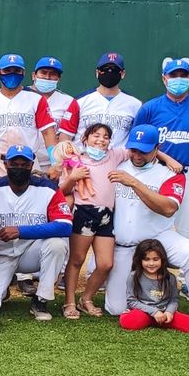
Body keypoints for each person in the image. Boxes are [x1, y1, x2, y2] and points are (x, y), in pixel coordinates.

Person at [104, 125, 189, 332]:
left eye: (144, 150)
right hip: (123, 245)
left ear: (157, 148)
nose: (137, 155)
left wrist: (135, 183)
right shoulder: (117, 163)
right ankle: (154, 311)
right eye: (134, 149)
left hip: (159, 239)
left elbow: (168, 209)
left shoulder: (169, 174)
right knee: (116, 308)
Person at [132, 56, 189, 240]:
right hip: (156, 172)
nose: (178, 79)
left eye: (183, 75)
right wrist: (165, 160)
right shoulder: (149, 108)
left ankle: (183, 269)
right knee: (150, 225)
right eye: (173, 75)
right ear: (164, 78)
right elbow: (136, 143)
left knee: (186, 230)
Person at [0, 146, 71, 321]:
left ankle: (41, 300)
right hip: (0, 256)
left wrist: (21, 231)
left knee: (57, 245)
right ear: (5, 164)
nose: (19, 167)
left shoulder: (47, 188)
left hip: (32, 253)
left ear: (32, 165)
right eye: (14, 163)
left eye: (24, 164)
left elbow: (65, 226)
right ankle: (3, 287)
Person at [56, 122, 120, 319]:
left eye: (106, 136)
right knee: (77, 260)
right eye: (96, 135)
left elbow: (137, 150)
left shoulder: (114, 156)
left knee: (106, 264)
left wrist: (164, 158)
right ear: (85, 139)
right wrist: (73, 177)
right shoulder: (75, 161)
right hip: (84, 213)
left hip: (107, 215)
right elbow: (61, 191)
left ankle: (87, 298)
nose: (101, 139)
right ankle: (69, 302)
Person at [0, 53, 58, 178]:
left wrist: (55, 162)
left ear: (23, 72)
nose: (12, 73)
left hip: (28, 162)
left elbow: (48, 132)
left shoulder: (36, 99)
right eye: (7, 70)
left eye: (16, 70)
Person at [117, 239, 189, 333]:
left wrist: (169, 312)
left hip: (164, 312)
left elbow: (173, 300)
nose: (151, 263)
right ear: (140, 260)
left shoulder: (170, 278)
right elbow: (131, 300)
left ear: (162, 259)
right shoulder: (134, 276)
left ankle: (160, 320)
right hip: (144, 312)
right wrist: (153, 312)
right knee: (128, 322)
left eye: (155, 259)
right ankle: (149, 319)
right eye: (146, 259)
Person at [75, 51, 141, 150]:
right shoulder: (79, 101)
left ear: (123, 74)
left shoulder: (135, 104)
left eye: (114, 69)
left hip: (118, 163)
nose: (109, 72)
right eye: (104, 69)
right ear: (97, 73)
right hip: (82, 161)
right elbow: (66, 136)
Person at [30, 56, 78, 143]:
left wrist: (56, 155)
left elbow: (65, 138)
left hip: (52, 154)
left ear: (59, 78)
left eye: (53, 74)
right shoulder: (21, 95)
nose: (47, 77)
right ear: (34, 75)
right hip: (23, 155)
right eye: (43, 73)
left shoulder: (69, 102)